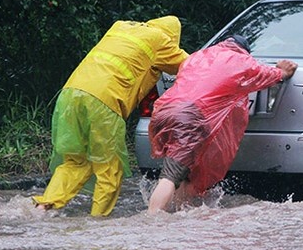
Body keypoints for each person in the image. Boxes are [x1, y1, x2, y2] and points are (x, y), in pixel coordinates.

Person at [33, 16, 189, 216]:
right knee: (110, 170)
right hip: (104, 100)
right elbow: (192, 64)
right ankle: (98, 223)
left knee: (75, 162)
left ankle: (43, 208)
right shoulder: (161, 40)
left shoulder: (121, 27)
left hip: (70, 94)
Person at [147, 35, 297, 213]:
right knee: (170, 176)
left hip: (164, 110)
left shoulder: (197, 57)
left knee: (185, 174)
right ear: (244, 51)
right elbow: (268, 75)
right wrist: (283, 71)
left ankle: (180, 213)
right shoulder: (241, 61)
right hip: (189, 117)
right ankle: (152, 221)